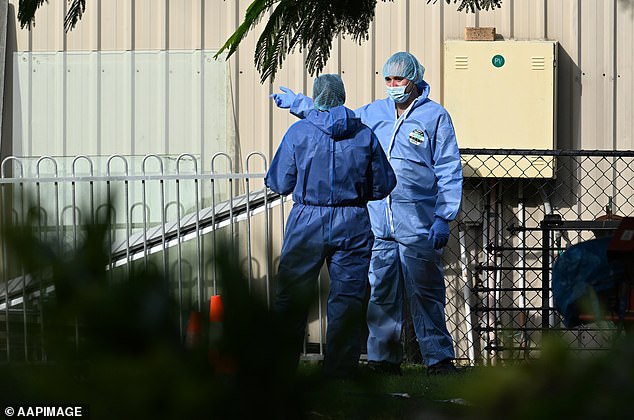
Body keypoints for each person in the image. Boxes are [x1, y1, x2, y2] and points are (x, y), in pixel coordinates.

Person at [271, 52, 463, 376]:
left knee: (426, 291)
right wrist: (299, 103)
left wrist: (444, 215)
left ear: (414, 79)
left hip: (417, 220)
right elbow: (332, 118)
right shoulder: (374, 113)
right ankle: (384, 358)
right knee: (382, 292)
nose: (393, 86)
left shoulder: (435, 117)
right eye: (388, 80)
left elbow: (448, 167)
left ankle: (438, 359)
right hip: (377, 220)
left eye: (399, 80)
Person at [265, 74, 397, 378]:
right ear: (343, 96)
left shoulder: (298, 133)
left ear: (315, 97)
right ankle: (340, 371)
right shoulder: (364, 135)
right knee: (348, 298)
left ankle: (280, 370)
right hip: (352, 220)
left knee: (292, 297)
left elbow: (279, 183)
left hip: (307, 221)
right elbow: (383, 185)